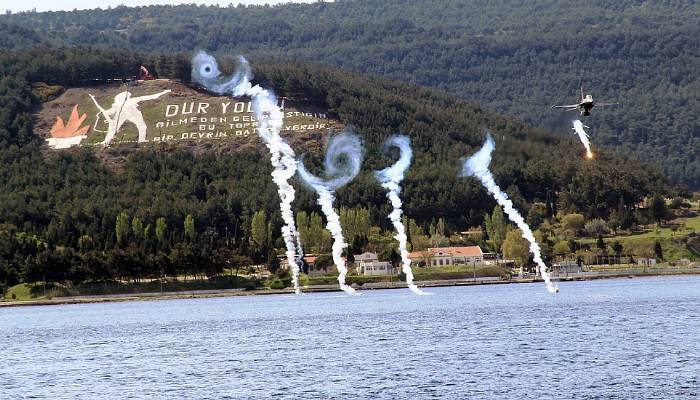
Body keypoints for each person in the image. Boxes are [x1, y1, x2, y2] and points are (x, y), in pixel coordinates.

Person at [89, 89, 171, 145]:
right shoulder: (124, 103)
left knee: (140, 127)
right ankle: (141, 141)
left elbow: (107, 112)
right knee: (141, 127)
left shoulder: (120, 104)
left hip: (130, 114)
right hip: (129, 114)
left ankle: (106, 141)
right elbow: (150, 97)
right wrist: (163, 92)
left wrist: (163, 93)